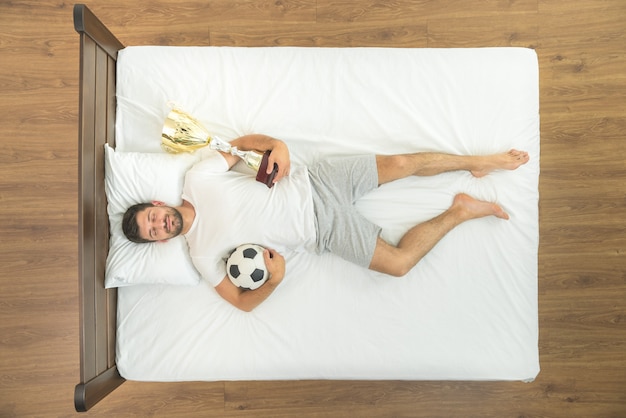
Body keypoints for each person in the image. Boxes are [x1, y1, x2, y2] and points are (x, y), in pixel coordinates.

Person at [123, 134, 529, 311]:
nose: (159, 224)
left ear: (158, 204)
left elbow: (242, 144)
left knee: (402, 164)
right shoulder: (200, 254)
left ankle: (479, 163)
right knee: (399, 265)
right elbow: (240, 303)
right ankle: (459, 210)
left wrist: (276, 145)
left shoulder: (198, 176)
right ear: (159, 241)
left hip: (317, 182)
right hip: (324, 233)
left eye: (152, 217)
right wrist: (276, 280)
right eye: (153, 231)